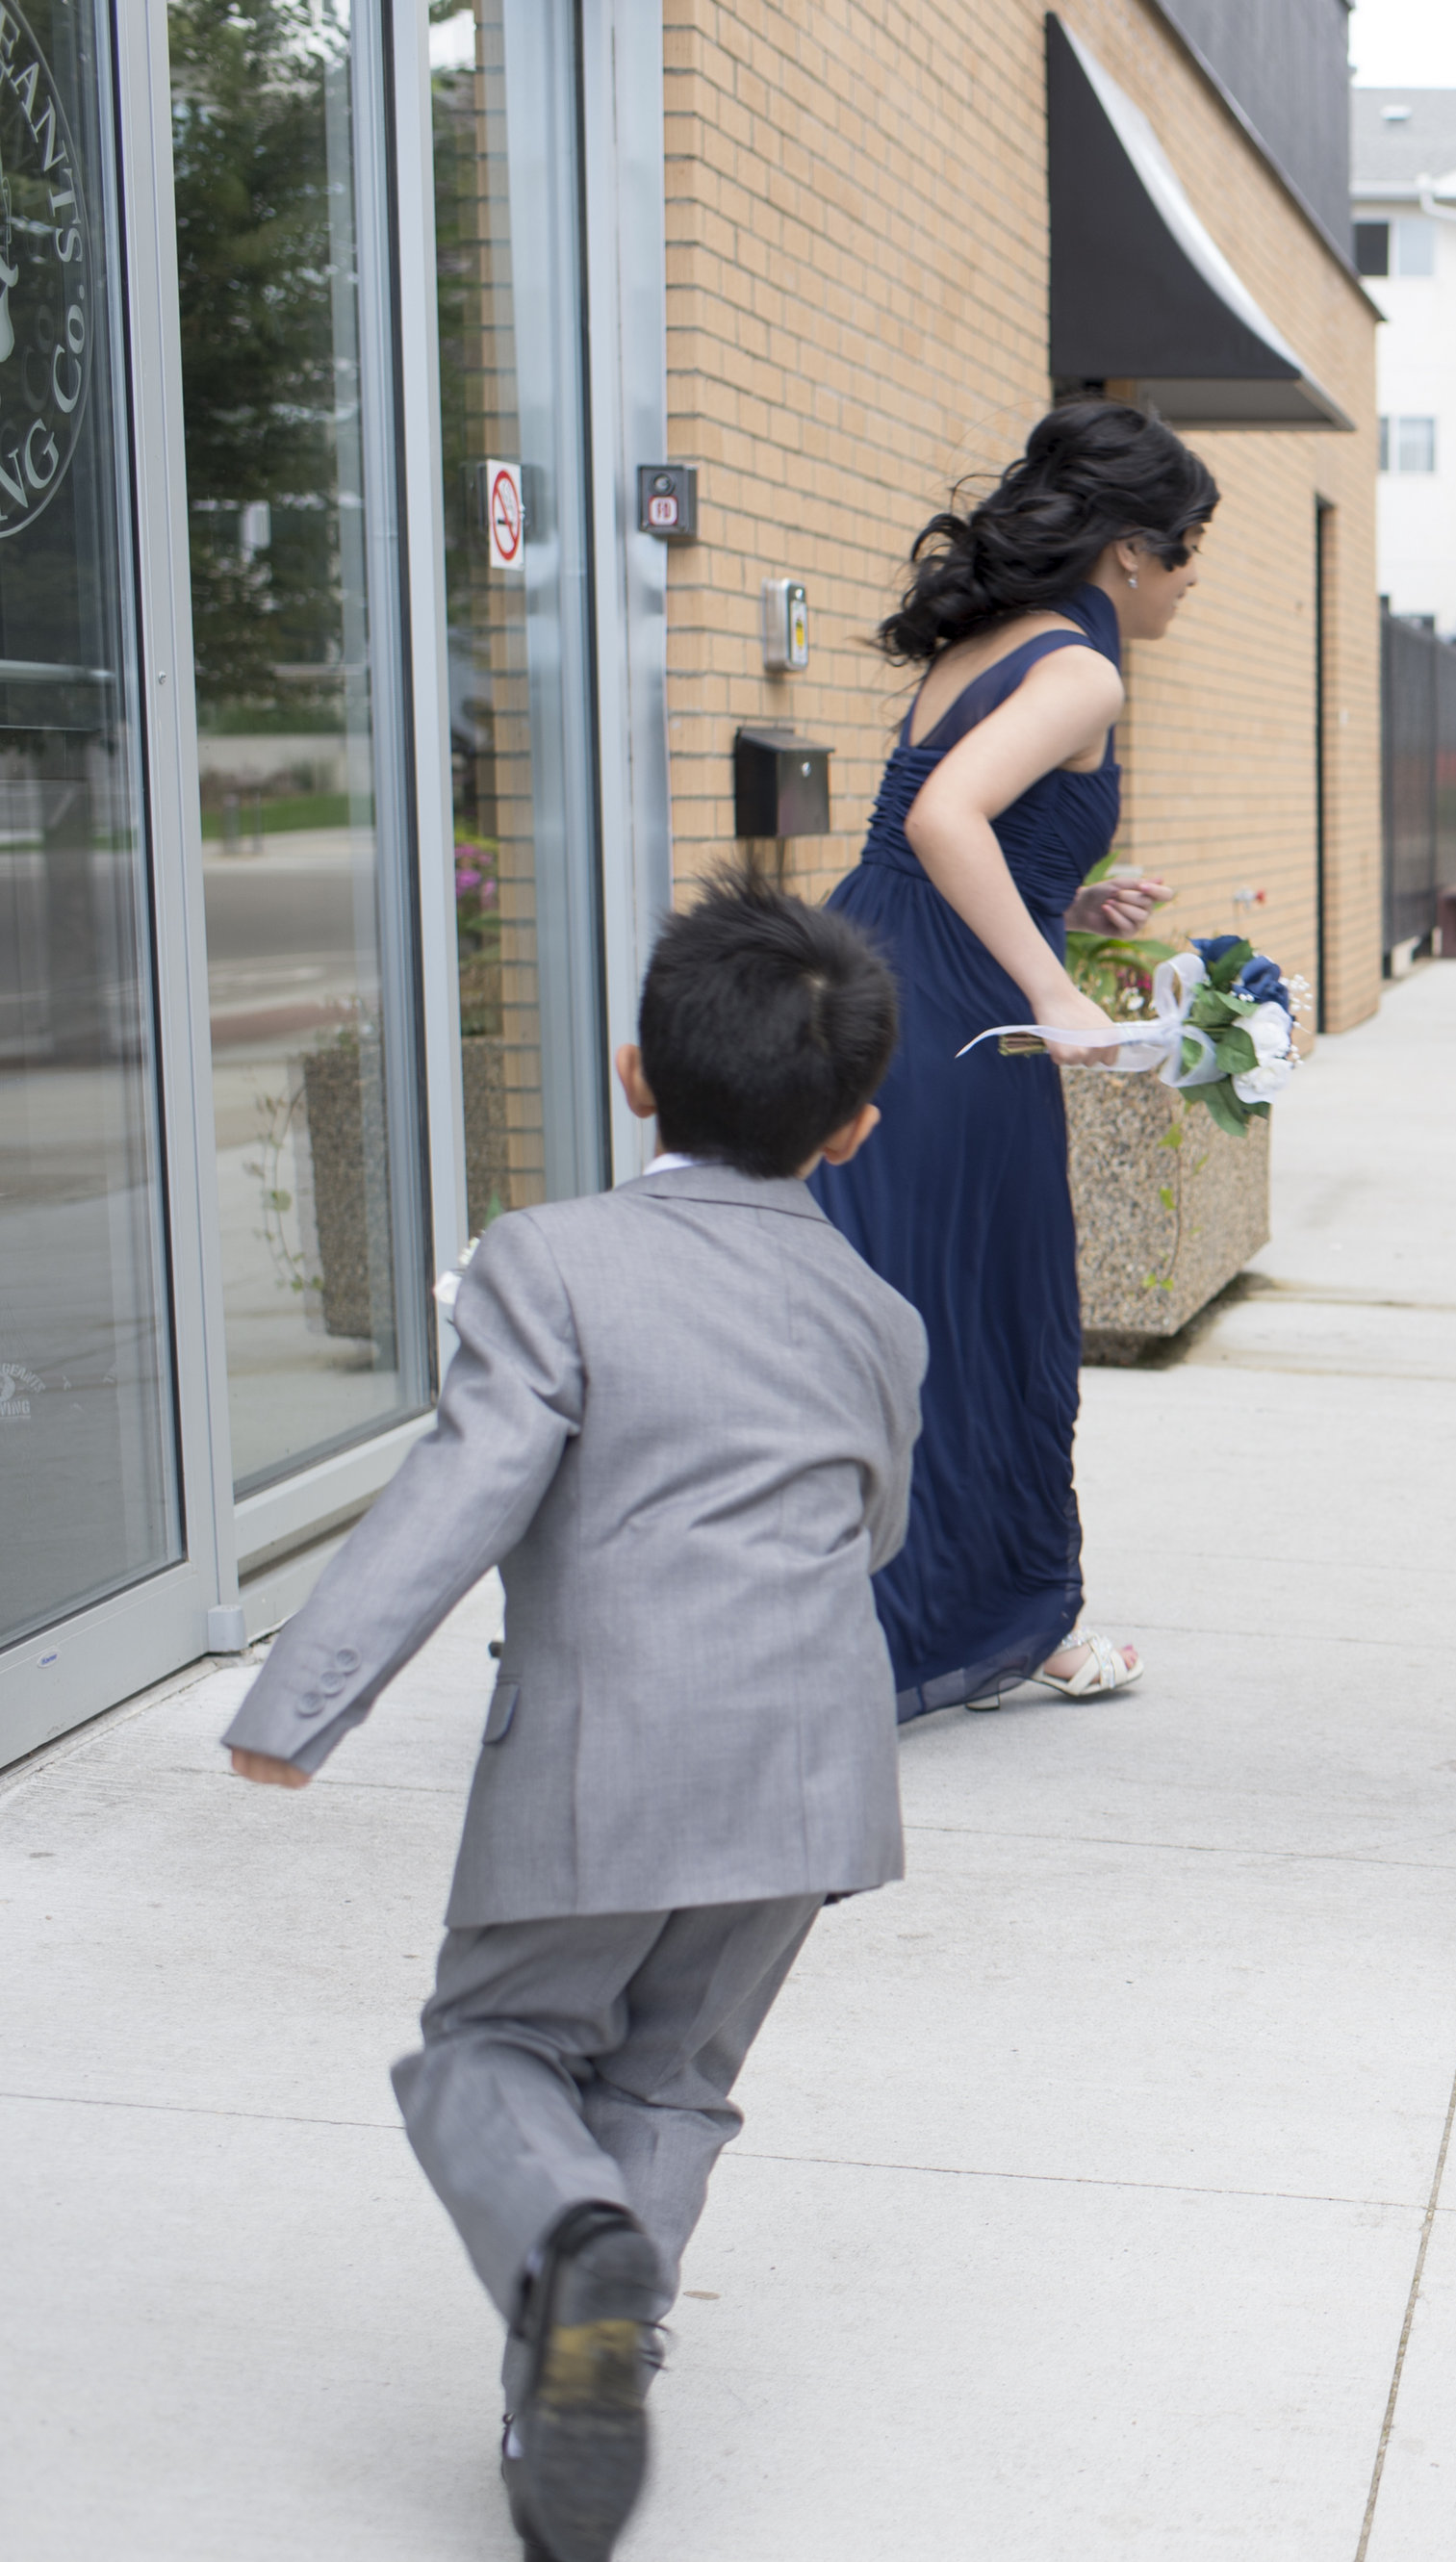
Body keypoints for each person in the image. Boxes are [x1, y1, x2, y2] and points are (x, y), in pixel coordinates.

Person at [220, 881, 927, 2562]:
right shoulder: (879, 1316)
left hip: (610, 1750)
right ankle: (578, 2385)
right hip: (817, 1770)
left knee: (494, 2043)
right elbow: (876, 1524)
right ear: (854, 1131)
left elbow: (462, 1490)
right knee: (676, 2074)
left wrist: (298, 1703)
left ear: (632, 1075)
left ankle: (571, 2238)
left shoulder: (554, 1262)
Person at [816, 398, 1211, 1719]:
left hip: (864, 976)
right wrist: (1056, 988)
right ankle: (998, 1615)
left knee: (893, 1309)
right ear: (1133, 552)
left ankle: (952, 1610)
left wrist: (1067, 901)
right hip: (951, 1017)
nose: (1192, 581)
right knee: (992, 1317)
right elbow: (942, 816)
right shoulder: (1085, 669)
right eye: (1191, 548)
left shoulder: (994, 635)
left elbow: (951, 825)